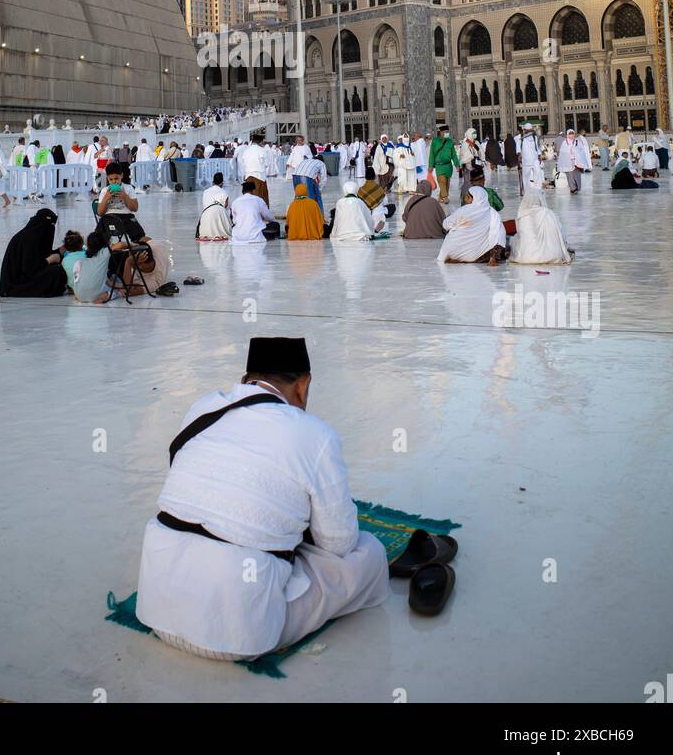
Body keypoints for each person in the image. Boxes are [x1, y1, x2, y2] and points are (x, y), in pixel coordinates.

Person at [136, 336, 390, 662]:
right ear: (303, 385)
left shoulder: (202, 407)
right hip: (239, 633)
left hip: (157, 609)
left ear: (247, 379)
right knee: (368, 554)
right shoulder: (315, 433)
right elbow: (339, 544)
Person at [0, 208, 68, 297]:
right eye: (50, 225)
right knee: (56, 270)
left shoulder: (32, 236)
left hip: (23, 278)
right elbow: (29, 269)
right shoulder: (28, 239)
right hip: (15, 285)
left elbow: (39, 256)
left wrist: (60, 250)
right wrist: (49, 260)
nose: (51, 229)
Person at [438, 186, 507, 266]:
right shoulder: (493, 213)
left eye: (467, 197)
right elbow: (500, 235)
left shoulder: (463, 210)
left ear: (474, 198)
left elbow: (445, 225)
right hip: (477, 255)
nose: (465, 200)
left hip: (454, 252)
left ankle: (461, 257)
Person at [509, 187, 572, 265]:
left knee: (513, 240)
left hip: (526, 257)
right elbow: (560, 233)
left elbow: (521, 235)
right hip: (551, 255)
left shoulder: (522, 215)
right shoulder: (547, 212)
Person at [196, 172, 232, 242]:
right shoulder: (224, 192)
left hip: (205, 216)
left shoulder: (205, 191)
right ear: (222, 183)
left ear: (213, 182)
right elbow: (226, 207)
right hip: (219, 214)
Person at [428, 126, 459, 205]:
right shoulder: (435, 141)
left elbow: (454, 154)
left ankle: (440, 197)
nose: (446, 133)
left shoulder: (450, 142)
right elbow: (432, 154)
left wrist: (457, 164)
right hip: (439, 166)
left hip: (448, 166)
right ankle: (445, 197)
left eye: (447, 132)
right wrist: (431, 165)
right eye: (445, 132)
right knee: (442, 181)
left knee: (447, 183)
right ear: (441, 132)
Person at [289, 149, 327, 213]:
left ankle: (297, 212)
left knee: (298, 196)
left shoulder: (306, 160)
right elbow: (323, 179)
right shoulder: (321, 163)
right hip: (306, 177)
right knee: (310, 198)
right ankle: (318, 215)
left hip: (295, 176)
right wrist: (319, 189)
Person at [556, 129, 590, 194]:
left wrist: (576, 152)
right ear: (567, 134)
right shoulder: (565, 142)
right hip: (567, 162)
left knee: (577, 175)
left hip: (576, 162)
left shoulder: (577, 141)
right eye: (570, 133)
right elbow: (563, 153)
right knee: (570, 176)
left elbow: (581, 150)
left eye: (572, 133)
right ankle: (572, 188)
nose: (571, 135)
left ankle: (577, 187)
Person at [519, 124, 544, 190]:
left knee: (537, 174)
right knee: (526, 176)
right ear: (525, 130)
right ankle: (527, 190)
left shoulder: (534, 137)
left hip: (534, 159)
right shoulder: (520, 137)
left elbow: (537, 147)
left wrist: (539, 155)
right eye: (528, 130)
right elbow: (518, 149)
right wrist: (519, 156)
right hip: (526, 160)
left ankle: (538, 188)